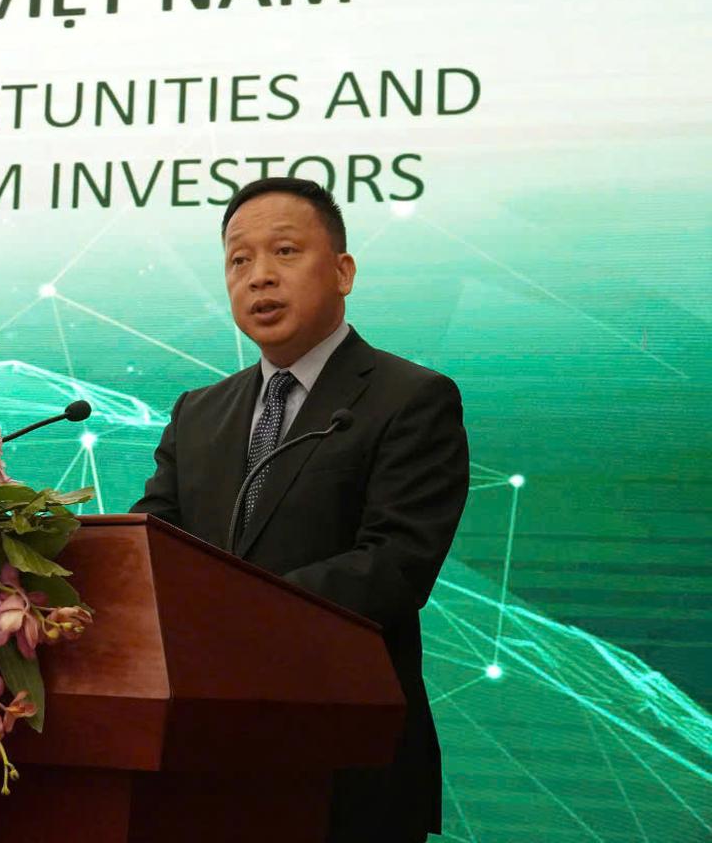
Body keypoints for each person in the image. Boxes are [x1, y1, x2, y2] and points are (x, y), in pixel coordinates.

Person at [131, 177, 469, 842]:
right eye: (239, 259)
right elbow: (149, 552)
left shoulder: (410, 398)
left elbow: (395, 566)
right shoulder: (198, 412)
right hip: (202, 759)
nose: (259, 276)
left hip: (345, 760)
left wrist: (236, 614)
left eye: (284, 251)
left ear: (342, 272)